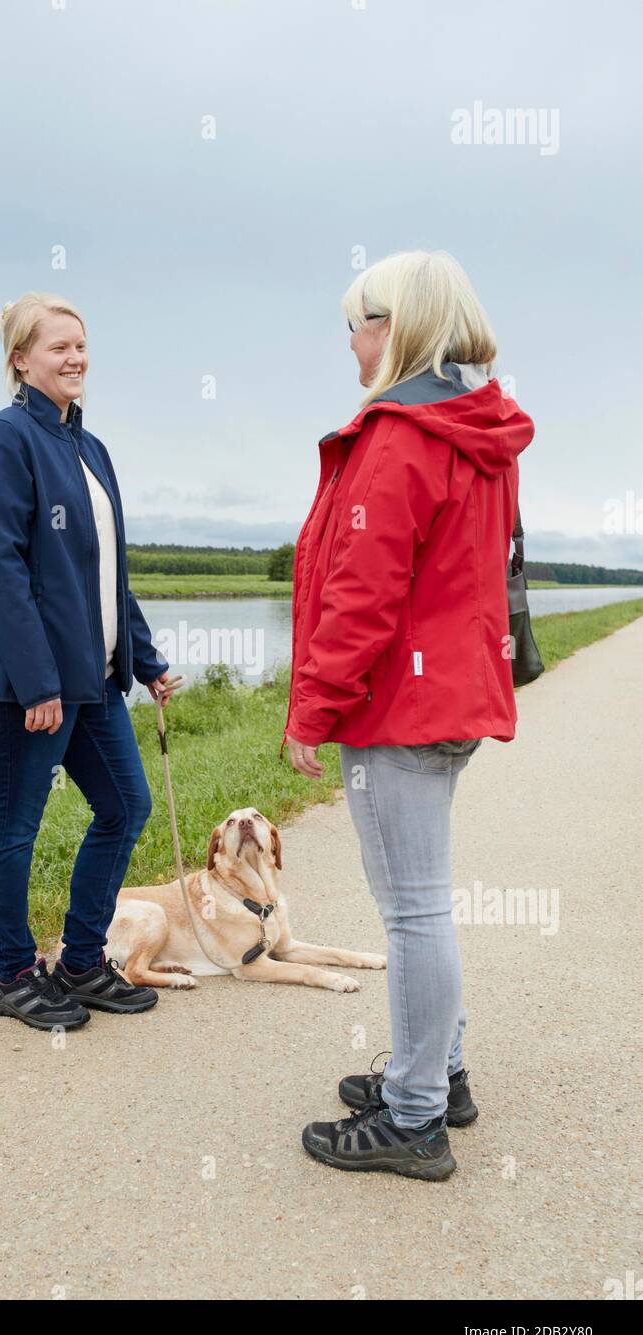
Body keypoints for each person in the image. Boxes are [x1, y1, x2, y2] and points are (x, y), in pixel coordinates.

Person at [281, 251, 535, 1180]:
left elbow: (364, 592)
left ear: (397, 327)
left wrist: (313, 708)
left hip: (400, 705)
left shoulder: (400, 435)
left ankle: (416, 1116)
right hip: (452, 694)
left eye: (357, 321)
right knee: (420, 902)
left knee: (413, 910)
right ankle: (444, 1074)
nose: (350, 341)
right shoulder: (476, 425)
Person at [0, 292, 175, 1031]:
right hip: (30, 686)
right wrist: (36, 682)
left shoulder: (90, 447)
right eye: (58, 347)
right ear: (21, 360)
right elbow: (2, 570)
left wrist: (145, 660)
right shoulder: (0, 441)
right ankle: (14, 975)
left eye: (81, 346)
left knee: (125, 806)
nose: (75, 358)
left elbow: (108, 571)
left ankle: (81, 962)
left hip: (93, 679)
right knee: (14, 825)